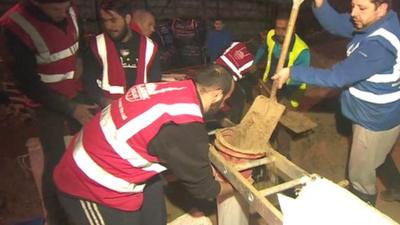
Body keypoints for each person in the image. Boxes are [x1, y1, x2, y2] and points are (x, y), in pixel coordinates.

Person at [54, 64, 235, 225]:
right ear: (217, 94)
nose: (223, 105)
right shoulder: (185, 126)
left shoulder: (173, 87)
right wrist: (235, 185)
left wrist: (200, 166)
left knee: (153, 203)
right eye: (225, 99)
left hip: (103, 152)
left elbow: (167, 144)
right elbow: (205, 190)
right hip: (88, 182)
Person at [272, 0, 400, 205]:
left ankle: (364, 206)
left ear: (382, 8)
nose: (353, 13)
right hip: (377, 112)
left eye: (361, 8)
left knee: (359, 175)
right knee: (378, 156)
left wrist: (293, 72)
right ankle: (397, 187)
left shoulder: (378, 46)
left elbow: (337, 77)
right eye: (353, 6)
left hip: (373, 119)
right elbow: (336, 24)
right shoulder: (375, 21)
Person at [0, 0, 97, 224]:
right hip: (46, 104)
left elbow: (79, 46)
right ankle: (57, 217)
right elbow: (28, 84)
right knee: (56, 163)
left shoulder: (68, 9)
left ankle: (90, 201)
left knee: (90, 147)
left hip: (76, 91)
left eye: (66, 7)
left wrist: (80, 64)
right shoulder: (14, 27)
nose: (63, 13)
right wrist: (71, 109)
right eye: (56, 10)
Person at [83, 0, 161, 108]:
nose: (108, 25)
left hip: (140, 111)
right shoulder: (97, 45)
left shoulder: (150, 47)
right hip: (107, 112)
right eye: (105, 20)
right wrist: (103, 101)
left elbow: (154, 82)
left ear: (127, 19)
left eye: (113, 20)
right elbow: (89, 82)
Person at [252, 10, 310, 109]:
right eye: (277, 28)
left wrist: (284, 98)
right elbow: (263, 48)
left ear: (293, 28)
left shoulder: (302, 51)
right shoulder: (271, 35)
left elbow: (299, 78)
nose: (279, 32)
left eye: (284, 29)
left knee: (281, 116)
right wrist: (255, 63)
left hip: (291, 89)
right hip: (271, 82)